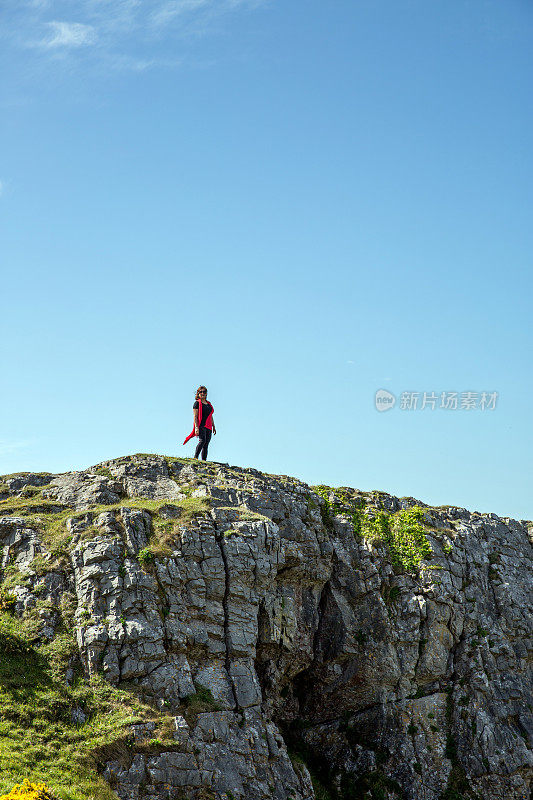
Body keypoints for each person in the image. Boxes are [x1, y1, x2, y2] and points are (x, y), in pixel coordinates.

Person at [183, 386, 216, 460]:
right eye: (201, 392)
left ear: (206, 393)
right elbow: (195, 416)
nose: (202, 393)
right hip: (201, 425)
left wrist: (213, 426)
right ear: (198, 393)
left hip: (209, 426)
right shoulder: (197, 403)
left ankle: (204, 461)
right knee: (202, 441)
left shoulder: (209, 404)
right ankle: (195, 457)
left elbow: (210, 415)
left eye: (204, 392)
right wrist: (196, 427)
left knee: (206, 444)